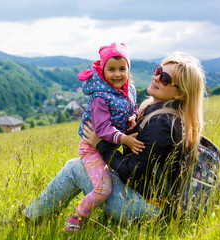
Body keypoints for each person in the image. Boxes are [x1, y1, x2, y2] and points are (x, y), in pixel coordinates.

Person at [19, 51, 205, 231]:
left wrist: (100, 144)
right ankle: (36, 216)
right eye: (158, 71)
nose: (156, 78)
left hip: (148, 210)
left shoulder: (162, 124)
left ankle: (29, 220)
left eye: (165, 78)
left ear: (180, 94)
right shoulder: (159, 111)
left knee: (75, 168)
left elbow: (131, 171)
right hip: (150, 203)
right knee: (79, 166)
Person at [67, 42, 144, 232]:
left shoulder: (130, 89)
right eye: (111, 69)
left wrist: (132, 117)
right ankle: (78, 216)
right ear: (102, 71)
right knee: (104, 189)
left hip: (108, 147)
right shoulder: (100, 97)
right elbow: (101, 129)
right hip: (92, 148)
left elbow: (131, 108)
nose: (117, 74)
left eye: (122, 69)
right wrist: (124, 139)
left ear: (128, 69)